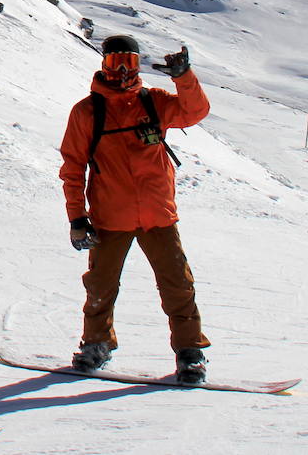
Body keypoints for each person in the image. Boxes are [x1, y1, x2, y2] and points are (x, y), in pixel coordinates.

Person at [58, 34, 212, 383]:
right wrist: (77, 217)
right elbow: (72, 168)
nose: (123, 71)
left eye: (129, 61)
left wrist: (184, 77)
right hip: (110, 217)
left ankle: (190, 352)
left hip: (158, 215)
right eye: (115, 62)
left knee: (177, 285)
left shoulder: (154, 102)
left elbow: (195, 112)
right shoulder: (87, 112)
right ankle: (96, 344)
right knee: (101, 286)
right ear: (103, 64)